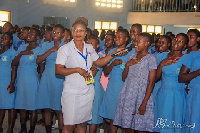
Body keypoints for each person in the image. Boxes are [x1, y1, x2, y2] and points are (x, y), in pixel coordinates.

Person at [55, 17, 124, 133]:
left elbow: (100, 62)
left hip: (87, 91)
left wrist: (113, 53)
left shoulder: (89, 47)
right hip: (72, 92)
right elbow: (58, 70)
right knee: (69, 126)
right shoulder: (65, 49)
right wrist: (77, 69)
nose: (78, 33)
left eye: (81, 30)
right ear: (72, 32)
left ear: (86, 33)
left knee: (82, 124)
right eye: (76, 30)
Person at [113, 33, 156, 133]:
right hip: (128, 94)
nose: (135, 44)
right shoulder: (131, 56)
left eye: (138, 41)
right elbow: (124, 78)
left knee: (141, 126)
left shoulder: (151, 59)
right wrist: (127, 65)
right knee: (127, 126)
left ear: (146, 43)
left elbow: (151, 82)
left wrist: (144, 102)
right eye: (135, 41)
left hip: (142, 95)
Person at [99, 28, 134, 133]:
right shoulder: (111, 52)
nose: (117, 39)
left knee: (123, 118)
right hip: (112, 86)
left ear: (126, 39)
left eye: (120, 36)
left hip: (124, 86)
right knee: (112, 117)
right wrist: (113, 64)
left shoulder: (131, 53)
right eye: (116, 37)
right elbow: (105, 72)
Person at [155, 33, 188, 133]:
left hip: (177, 95)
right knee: (163, 122)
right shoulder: (163, 56)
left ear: (185, 46)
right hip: (163, 93)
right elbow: (155, 78)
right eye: (175, 39)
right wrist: (161, 64)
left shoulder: (186, 59)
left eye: (181, 41)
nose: (176, 42)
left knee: (175, 124)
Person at [36, 24, 65, 133]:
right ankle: (48, 130)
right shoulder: (46, 45)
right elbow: (38, 60)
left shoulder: (66, 47)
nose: (55, 34)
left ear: (62, 34)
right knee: (47, 107)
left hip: (59, 78)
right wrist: (51, 50)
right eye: (54, 32)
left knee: (59, 109)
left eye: (58, 32)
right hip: (47, 76)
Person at [11, 28, 41, 133]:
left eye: (32, 33)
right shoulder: (22, 47)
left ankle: (31, 130)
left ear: (37, 38)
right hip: (21, 79)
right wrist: (22, 53)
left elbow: (41, 65)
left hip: (32, 79)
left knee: (32, 107)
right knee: (21, 105)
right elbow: (13, 63)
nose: (29, 35)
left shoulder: (39, 49)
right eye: (29, 33)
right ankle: (23, 129)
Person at [178, 30, 200, 133]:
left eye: (191, 37)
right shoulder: (193, 55)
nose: (188, 39)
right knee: (194, 121)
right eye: (188, 37)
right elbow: (181, 77)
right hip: (196, 94)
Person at [86, 37, 104, 133]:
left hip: (94, 87)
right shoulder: (83, 57)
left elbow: (91, 76)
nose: (89, 45)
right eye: (88, 43)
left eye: (92, 43)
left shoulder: (99, 58)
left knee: (94, 115)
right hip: (83, 87)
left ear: (97, 46)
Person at [0, 32, 16, 133]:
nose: (2, 40)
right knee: (1, 106)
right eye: (2, 38)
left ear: (10, 41)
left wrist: (12, 83)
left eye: (5, 39)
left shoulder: (12, 52)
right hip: (0, 81)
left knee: (10, 106)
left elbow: (14, 68)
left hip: (7, 81)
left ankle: (10, 128)